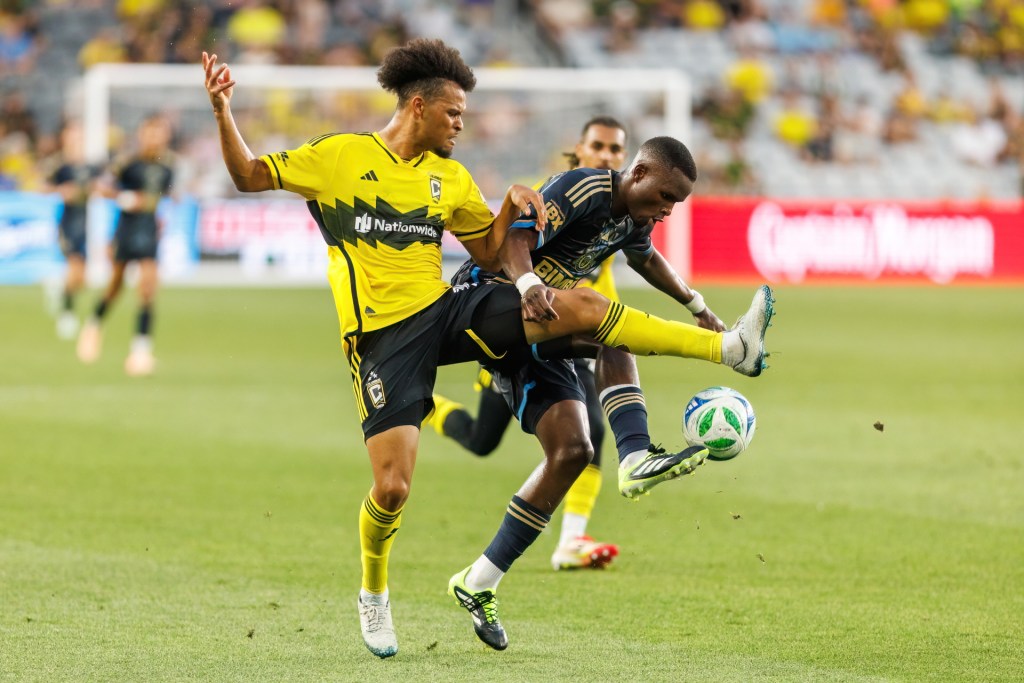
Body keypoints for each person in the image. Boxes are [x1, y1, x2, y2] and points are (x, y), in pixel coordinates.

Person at [202, 39, 772, 660]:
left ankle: (726, 350)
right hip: (381, 339)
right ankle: (374, 591)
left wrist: (512, 202)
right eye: (454, 114)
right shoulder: (340, 156)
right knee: (392, 489)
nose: (460, 125)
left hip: (446, 309)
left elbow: (487, 251)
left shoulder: (450, 178)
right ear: (418, 107)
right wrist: (223, 111)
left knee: (585, 314)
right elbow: (248, 175)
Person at [446, 136, 763, 651]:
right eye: (665, 196)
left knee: (573, 450)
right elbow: (514, 240)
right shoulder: (585, 188)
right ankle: (721, 358)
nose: (667, 210)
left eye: (676, 203)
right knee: (606, 323)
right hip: (493, 302)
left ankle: (478, 581)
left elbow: (647, 259)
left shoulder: (633, 219)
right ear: (638, 174)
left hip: (542, 324)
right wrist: (528, 286)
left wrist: (697, 305)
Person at [429, 115, 632, 572]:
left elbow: (603, 280)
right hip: (517, 333)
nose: (606, 156)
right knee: (482, 440)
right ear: (578, 149)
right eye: (598, 146)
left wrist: (612, 323)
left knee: (591, 429)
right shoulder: (556, 198)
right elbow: (510, 253)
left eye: (616, 149)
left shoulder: (613, 210)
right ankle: (428, 408)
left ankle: (572, 540)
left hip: (566, 334)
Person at [76, 115, 175, 376]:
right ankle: (94, 324)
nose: (155, 138)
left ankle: (140, 351)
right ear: (142, 134)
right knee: (116, 285)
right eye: (151, 132)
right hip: (126, 230)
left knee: (148, 288)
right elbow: (100, 187)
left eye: (160, 133)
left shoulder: (168, 166)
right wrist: (126, 198)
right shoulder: (127, 163)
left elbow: (166, 196)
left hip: (149, 231)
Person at [48, 120, 102, 340]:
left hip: (84, 224)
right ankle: (67, 314)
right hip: (67, 223)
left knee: (82, 279)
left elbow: (102, 187)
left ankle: (60, 290)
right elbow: (45, 187)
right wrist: (61, 191)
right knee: (74, 267)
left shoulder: (90, 168)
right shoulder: (60, 167)